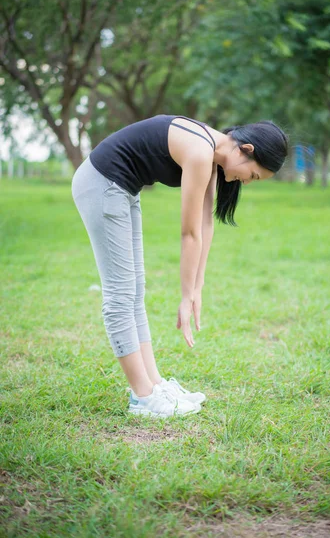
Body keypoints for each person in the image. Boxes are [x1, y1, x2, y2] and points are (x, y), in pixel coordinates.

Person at [71, 114, 288, 418]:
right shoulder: (201, 151)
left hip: (123, 188)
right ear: (246, 149)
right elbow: (189, 233)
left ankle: (154, 385)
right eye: (252, 176)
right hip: (102, 183)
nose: (246, 182)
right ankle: (142, 396)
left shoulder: (212, 153)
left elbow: (205, 223)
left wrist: (197, 289)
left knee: (135, 291)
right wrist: (185, 296)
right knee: (121, 295)